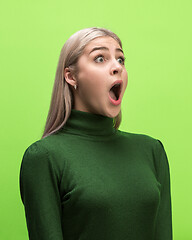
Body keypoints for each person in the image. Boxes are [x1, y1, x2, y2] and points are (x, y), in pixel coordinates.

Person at [19, 27, 173, 240]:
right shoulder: (44, 157)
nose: (116, 67)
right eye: (100, 58)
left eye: (120, 60)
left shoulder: (152, 150)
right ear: (71, 76)